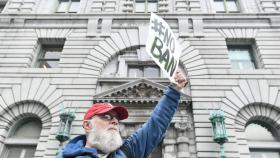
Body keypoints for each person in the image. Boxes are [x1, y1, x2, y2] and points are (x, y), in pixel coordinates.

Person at [56, 69, 188, 158]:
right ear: (87, 125)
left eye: (117, 119)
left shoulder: (127, 151)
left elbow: (156, 125)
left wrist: (174, 91)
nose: (114, 121)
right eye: (106, 117)